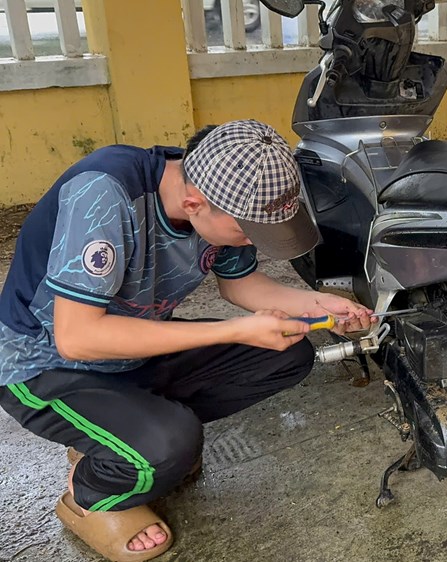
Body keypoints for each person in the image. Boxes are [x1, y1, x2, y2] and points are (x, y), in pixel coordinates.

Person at [0, 120, 373, 562]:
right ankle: (92, 495)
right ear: (194, 204)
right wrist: (234, 329)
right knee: (169, 446)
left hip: (133, 353)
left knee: (289, 353)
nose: (254, 241)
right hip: (46, 365)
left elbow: (241, 285)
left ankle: (125, 434)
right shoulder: (103, 193)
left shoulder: (223, 186)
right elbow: (77, 338)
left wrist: (318, 306)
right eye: (249, 232)